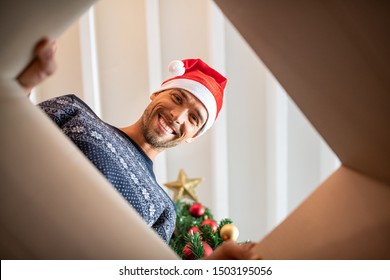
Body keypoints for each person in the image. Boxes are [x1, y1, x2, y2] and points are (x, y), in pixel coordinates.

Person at [17, 39, 261, 260]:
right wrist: (26, 82)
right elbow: (14, 131)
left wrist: (213, 264)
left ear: (193, 136)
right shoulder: (74, 111)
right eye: (177, 98)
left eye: (194, 118)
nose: (177, 116)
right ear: (155, 94)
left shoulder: (164, 211)